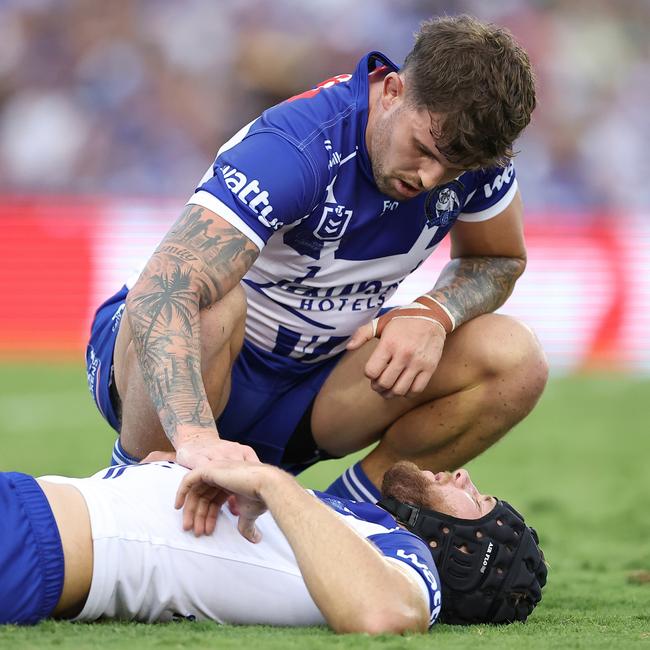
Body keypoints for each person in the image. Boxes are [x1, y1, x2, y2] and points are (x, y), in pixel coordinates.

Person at [86, 15, 548, 503]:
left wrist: (435, 313)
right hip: (189, 362)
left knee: (515, 359)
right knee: (214, 303)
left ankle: (352, 519)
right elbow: (166, 288)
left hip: (318, 384)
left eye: (456, 168)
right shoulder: (296, 147)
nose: (433, 178)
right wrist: (195, 436)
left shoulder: (471, 153)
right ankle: (142, 493)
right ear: (392, 90)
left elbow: (498, 259)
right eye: (423, 150)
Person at [0, 459, 546, 629]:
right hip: (33, 509)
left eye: (476, 500)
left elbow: (385, 612)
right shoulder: (360, 529)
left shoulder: (412, 569)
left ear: (467, 553)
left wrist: (270, 481)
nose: (463, 475)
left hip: (34, 544)